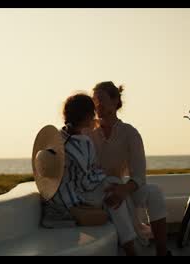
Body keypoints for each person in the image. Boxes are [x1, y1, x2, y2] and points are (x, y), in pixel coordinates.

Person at [41, 93, 138, 256]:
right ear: (87, 117)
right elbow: (85, 181)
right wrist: (104, 180)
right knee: (115, 193)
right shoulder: (82, 143)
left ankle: (128, 244)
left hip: (60, 195)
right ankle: (130, 247)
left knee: (114, 189)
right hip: (75, 197)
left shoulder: (58, 137)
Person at [85, 81, 170, 256]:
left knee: (154, 192)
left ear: (115, 101)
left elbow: (139, 174)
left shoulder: (130, 133)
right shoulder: (88, 130)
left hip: (122, 186)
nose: (96, 104)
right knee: (113, 190)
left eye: (100, 99)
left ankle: (162, 251)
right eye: (94, 100)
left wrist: (124, 189)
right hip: (97, 188)